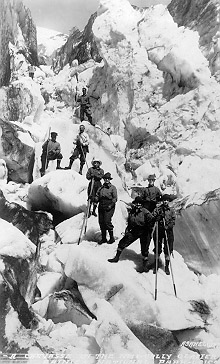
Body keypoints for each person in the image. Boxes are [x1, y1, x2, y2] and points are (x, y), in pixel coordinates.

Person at [108, 196, 161, 272]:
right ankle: (116, 257)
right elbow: (130, 221)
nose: (138, 205)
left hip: (145, 231)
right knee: (123, 242)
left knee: (145, 249)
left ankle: (145, 265)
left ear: (142, 204)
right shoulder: (132, 211)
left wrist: (155, 220)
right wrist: (128, 229)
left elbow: (152, 220)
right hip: (135, 230)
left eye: (140, 203)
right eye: (137, 203)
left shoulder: (145, 211)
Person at [152, 194, 176, 275]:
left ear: (169, 201)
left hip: (168, 231)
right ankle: (156, 264)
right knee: (157, 247)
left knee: (168, 248)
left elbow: (173, 221)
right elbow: (153, 217)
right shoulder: (158, 209)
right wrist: (157, 217)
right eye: (164, 200)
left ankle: (167, 266)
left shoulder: (171, 210)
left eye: (167, 200)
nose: (165, 201)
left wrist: (168, 226)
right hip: (159, 229)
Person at [95, 172, 117, 245]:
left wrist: (111, 205)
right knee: (101, 222)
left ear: (110, 179)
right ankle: (104, 238)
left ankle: (111, 238)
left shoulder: (113, 188)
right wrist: (95, 198)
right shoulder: (101, 188)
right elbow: (97, 196)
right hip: (101, 205)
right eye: (105, 179)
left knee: (107, 221)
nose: (106, 180)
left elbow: (115, 198)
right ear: (104, 179)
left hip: (109, 205)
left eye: (108, 179)